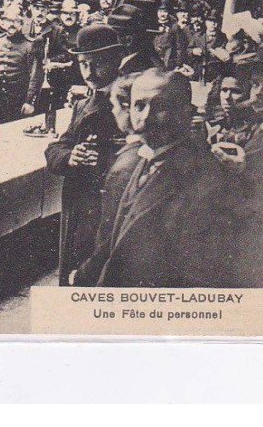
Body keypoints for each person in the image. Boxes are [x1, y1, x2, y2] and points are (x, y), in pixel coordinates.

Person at [98, 69, 243, 287]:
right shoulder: (143, 158)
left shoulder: (205, 175)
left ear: (186, 112)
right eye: (139, 105)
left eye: (160, 107)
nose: (145, 117)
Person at [45, 24, 125, 285]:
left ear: (115, 61)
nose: (89, 72)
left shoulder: (127, 102)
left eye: (97, 63)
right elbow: (55, 147)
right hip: (79, 203)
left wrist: (100, 160)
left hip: (108, 205)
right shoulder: (83, 104)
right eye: (83, 64)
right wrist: (70, 157)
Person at [72, 72, 143, 286]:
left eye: (114, 107)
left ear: (127, 108)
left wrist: (83, 275)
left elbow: (109, 237)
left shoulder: (124, 167)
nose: (113, 112)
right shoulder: (143, 153)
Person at [0, 3, 43, 124]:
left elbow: (35, 76)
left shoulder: (30, 45)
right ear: (3, 23)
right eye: (8, 21)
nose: (12, 24)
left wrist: (30, 101)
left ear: (22, 23)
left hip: (18, 101)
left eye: (16, 21)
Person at [107, 2, 163, 75]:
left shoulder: (136, 66)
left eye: (114, 35)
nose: (110, 41)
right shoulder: (152, 59)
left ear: (128, 39)